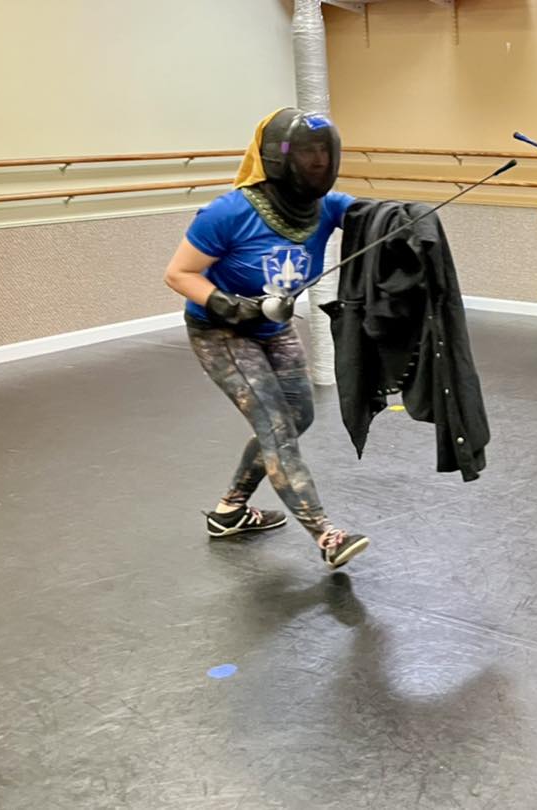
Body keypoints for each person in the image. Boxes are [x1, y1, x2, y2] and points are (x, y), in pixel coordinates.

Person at [163, 108, 371, 570]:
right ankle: (326, 534)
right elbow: (179, 273)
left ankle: (230, 510)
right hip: (221, 332)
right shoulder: (228, 212)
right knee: (277, 427)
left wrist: (405, 217)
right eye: (307, 153)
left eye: (324, 151)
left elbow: (368, 215)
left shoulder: (327, 206)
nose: (317, 162)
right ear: (279, 158)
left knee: (297, 417)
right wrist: (234, 306)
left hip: (273, 328)